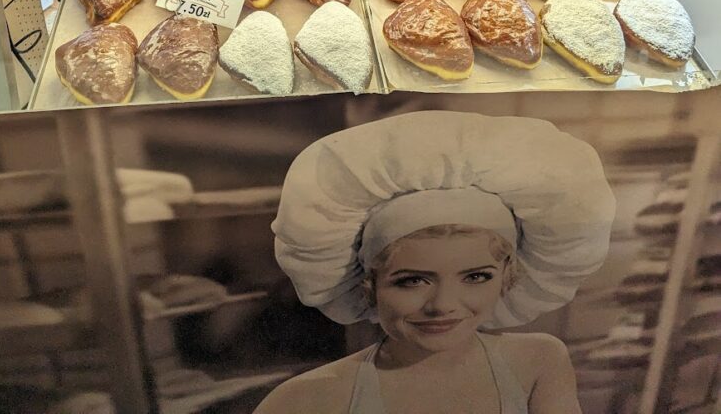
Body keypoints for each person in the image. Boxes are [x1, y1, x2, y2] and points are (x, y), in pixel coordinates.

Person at [254, 111, 615, 414]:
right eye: (412, 281)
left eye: (475, 276)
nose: (443, 305)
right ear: (368, 285)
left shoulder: (538, 363)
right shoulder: (306, 400)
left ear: (508, 277)